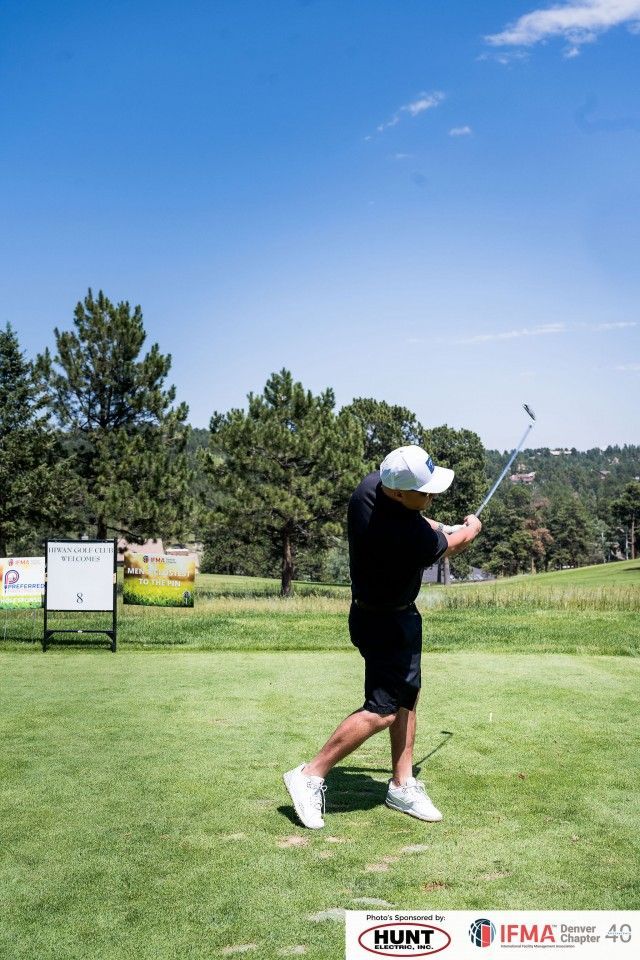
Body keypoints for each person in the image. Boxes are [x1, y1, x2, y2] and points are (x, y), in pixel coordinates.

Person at [283, 444, 482, 829]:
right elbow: (453, 544)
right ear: (399, 493)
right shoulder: (408, 538)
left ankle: (402, 784)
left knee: (407, 696)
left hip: (390, 615)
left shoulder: (370, 488)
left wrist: (441, 525)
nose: (431, 496)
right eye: (425, 492)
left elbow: (423, 519)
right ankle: (310, 774)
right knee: (382, 709)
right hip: (384, 624)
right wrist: (469, 528)